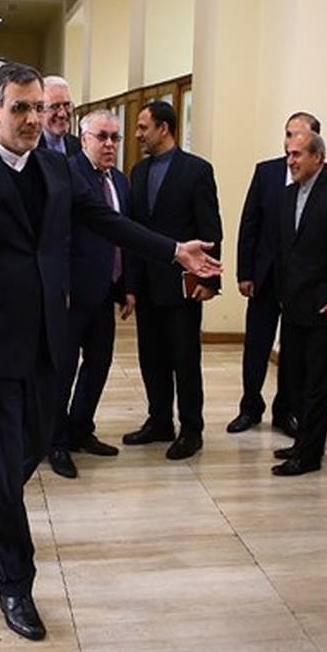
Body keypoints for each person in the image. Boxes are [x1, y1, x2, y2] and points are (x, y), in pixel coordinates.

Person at [0, 63, 221, 641]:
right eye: (20, 108)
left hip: (47, 337)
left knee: (31, 447)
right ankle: (15, 582)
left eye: (38, 108)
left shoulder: (57, 169)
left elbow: (105, 220)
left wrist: (174, 250)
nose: (32, 119)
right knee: (2, 465)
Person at [228, 112, 327, 435]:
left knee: (293, 352)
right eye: (288, 134)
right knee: (257, 345)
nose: (290, 142)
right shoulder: (266, 172)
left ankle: (286, 411)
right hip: (266, 276)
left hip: (306, 284)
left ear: (316, 143)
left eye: (298, 136)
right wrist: (245, 272)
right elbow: (250, 222)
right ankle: (250, 407)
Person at [122, 101, 223, 461]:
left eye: (143, 127)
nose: (138, 134)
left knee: (185, 360)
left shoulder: (196, 171)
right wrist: (130, 286)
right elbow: (132, 232)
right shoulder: (138, 172)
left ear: (163, 128)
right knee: (151, 359)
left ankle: (191, 429)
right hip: (147, 285)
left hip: (183, 287)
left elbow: (210, 230)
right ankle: (160, 421)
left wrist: (209, 281)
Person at [270, 130, 327, 476]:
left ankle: (309, 456)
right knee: (295, 380)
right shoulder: (287, 195)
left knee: (318, 386)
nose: (290, 161)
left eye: (296, 154)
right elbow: (285, 251)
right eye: (288, 154)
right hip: (294, 305)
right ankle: (301, 443)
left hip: (324, 308)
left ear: (317, 157)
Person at [46, 110, 131, 479]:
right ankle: (55, 440)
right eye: (102, 137)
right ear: (84, 140)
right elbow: (57, 237)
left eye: (115, 137)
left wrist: (127, 287)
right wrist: (61, 286)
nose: (110, 144)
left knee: (99, 363)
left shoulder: (120, 181)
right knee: (62, 370)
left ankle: (81, 429)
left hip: (105, 291)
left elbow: (125, 236)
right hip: (72, 295)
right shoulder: (68, 175)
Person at [37, 75, 81, 155]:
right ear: (40, 109)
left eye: (67, 105)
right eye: (55, 106)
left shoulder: (78, 146)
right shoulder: (29, 147)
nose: (62, 114)